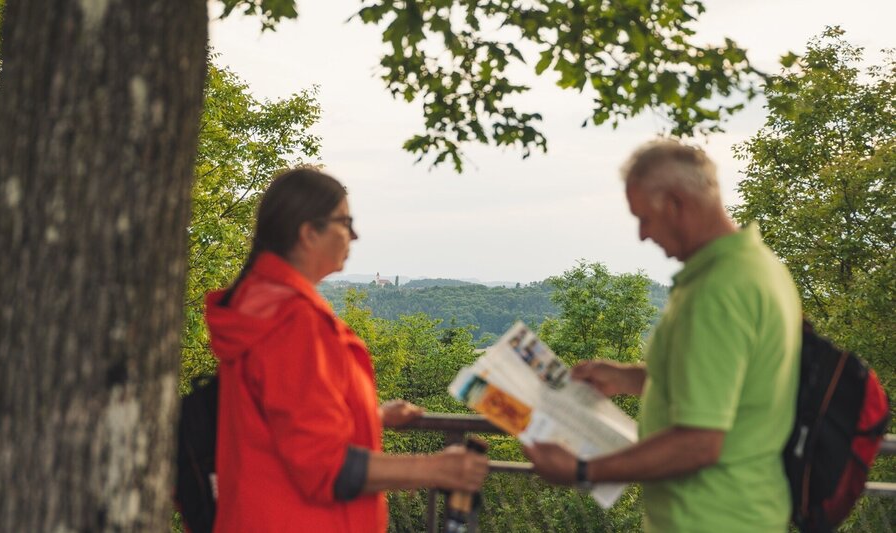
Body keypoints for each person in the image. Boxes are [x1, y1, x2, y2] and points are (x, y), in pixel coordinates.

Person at [524, 140, 802, 533]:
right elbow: (722, 386)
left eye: (644, 218)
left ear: (676, 203)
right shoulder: (758, 266)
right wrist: (627, 378)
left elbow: (699, 442)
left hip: (709, 519)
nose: (641, 235)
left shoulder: (717, 292)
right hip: (746, 512)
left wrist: (583, 469)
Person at [205, 168, 489, 533]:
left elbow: (285, 418)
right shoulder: (294, 322)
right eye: (345, 222)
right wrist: (437, 468)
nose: (354, 235)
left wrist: (373, 417)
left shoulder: (259, 306)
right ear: (309, 233)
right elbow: (324, 466)